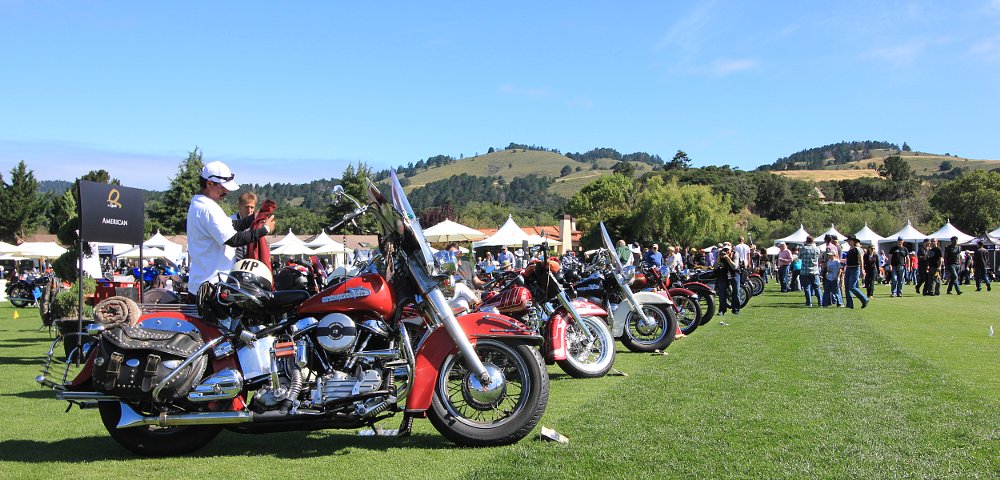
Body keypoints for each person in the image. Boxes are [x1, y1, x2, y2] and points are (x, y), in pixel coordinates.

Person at [186, 161, 275, 294]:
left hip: (208, 283)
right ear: (209, 183)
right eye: (223, 188)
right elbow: (234, 239)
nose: (226, 191)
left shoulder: (200, 204)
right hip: (211, 285)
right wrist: (264, 230)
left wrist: (255, 217)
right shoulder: (208, 208)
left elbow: (231, 225)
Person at [230, 191, 258, 261]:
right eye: (246, 207)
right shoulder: (229, 221)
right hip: (231, 265)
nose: (249, 211)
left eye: (252, 207)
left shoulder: (256, 224)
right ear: (239, 206)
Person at [842, 236, 869, 309]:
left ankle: (864, 299)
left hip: (855, 268)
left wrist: (862, 270)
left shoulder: (857, 249)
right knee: (847, 287)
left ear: (853, 241)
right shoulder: (850, 249)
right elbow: (847, 260)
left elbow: (861, 260)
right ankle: (849, 304)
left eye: (849, 240)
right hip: (848, 268)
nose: (848, 242)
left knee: (852, 286)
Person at [714, 245, 740, 316]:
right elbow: (715, 267)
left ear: (730, 250)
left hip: (734, 273)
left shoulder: (735, 254)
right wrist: (719, 257)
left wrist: (728, 258)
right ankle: (722, 310)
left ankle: (736, 309)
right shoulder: (720, 254)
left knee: (736, 291)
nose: (726, 251)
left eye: (727, 250)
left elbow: (734, 267)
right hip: (724, 273)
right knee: (721, 292)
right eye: (724, 250)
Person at [798, 236, 822, 307]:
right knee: (817, 287)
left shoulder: (803, 249)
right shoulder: (817, 249)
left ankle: (809, 303)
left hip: (805, 271)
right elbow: (819, 258)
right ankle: (820, 302)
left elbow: (799, 257)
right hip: (814, 271)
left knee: (807, 288)